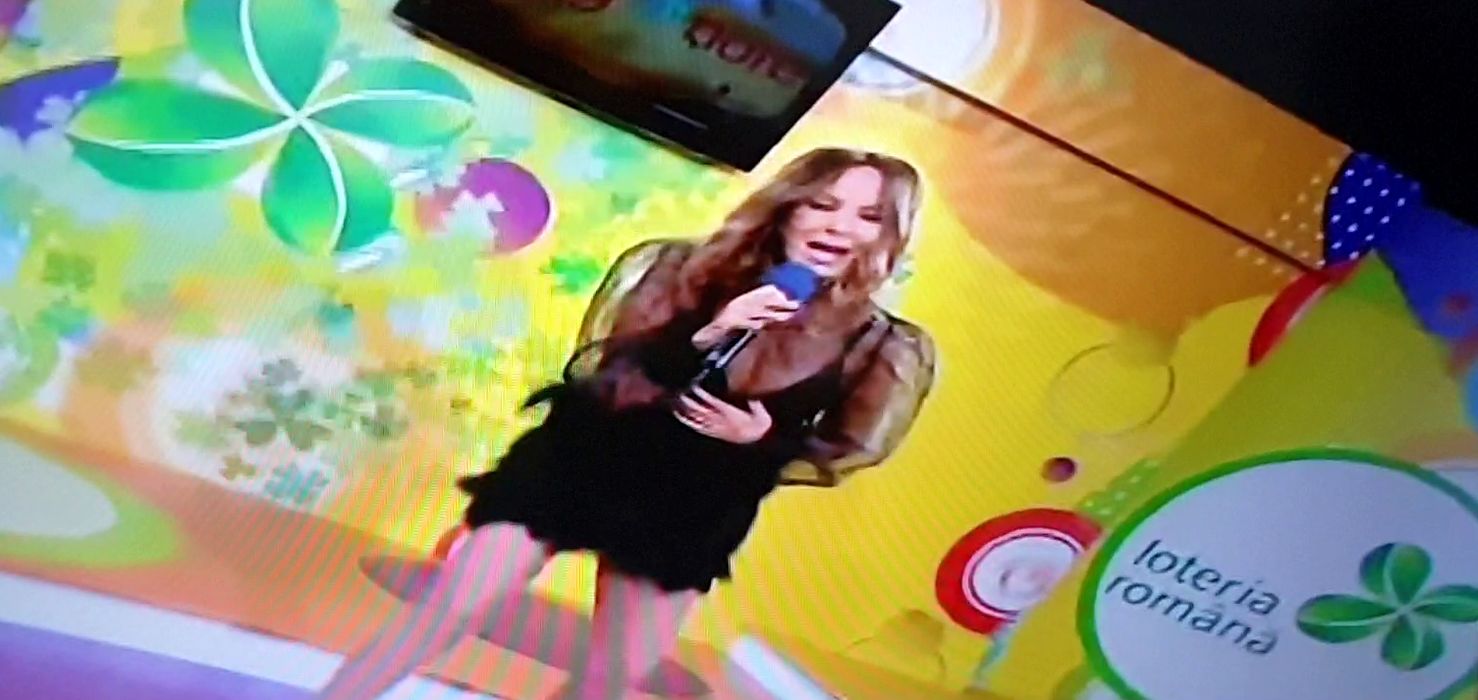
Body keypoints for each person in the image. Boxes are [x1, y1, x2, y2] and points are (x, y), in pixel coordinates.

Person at [318, 147, 937, 700]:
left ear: (888, 235)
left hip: (691, 506)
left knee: (609, 682)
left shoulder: (881, 343)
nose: (838, 227)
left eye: (868, 216)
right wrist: (713, 332)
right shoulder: (676, 267)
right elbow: (604, 371)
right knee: (451, 607)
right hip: (580, 463)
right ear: (787, 209)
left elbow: (848, 446)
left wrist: (763, 441)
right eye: (822, 205)